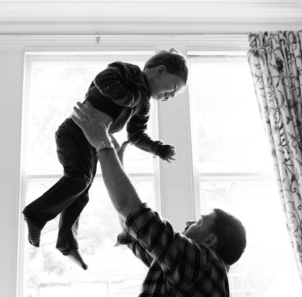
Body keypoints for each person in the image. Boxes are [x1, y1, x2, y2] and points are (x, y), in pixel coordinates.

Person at [71, 101, 247, 297]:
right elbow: (133, 228)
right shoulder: (187, 272)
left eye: (199, 221)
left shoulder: (201, 263)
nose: (190, 222)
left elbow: (134, 211)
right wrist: (115, 161)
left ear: (210, 240)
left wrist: (102, 144)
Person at [22, 49, 189, 270]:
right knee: (78, 181)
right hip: (74, 132)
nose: (169, 97)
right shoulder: (128, 72)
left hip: (90, 142)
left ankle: (67, 243)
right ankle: (35, 214)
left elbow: (136, 135)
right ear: (160, 71)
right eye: (173, 89)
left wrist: (158, 149)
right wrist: (131, 98)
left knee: (81, 193)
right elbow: (102, 81)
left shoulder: (144, 104)